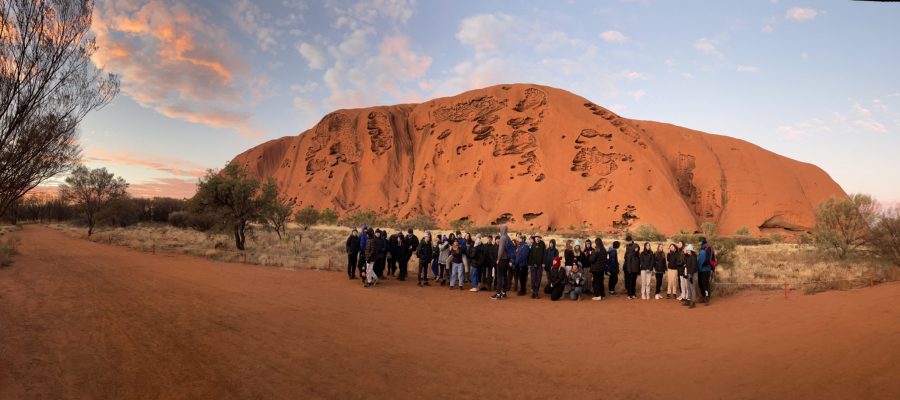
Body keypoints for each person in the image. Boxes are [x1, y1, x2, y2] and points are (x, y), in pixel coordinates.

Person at [490, 226, 513, 300]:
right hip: (507, 260)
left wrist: (498, 259)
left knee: (499, 277)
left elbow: (501, 249)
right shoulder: (508, 237)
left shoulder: (503, 237)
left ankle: (498, 294)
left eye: (500, 229)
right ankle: (504, 292)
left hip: (502, 260)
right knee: (504, 276)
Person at [682, 244, 698, 308]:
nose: (687, 251)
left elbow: (693, 267)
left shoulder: (693, 257)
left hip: (693, 274)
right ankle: (689, 300)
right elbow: (686, 264)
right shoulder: (688, 256)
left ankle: (693, 302)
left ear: (691, 250)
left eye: (688, 250)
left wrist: (690, 276)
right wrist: (686, 274)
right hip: (689, 273)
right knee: (689, 287)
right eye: (687, 250)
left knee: (692, 288)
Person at [698, 238, 713, 305]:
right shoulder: (701, 248)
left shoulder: (708, 247)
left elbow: (708, 259)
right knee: (700, 283)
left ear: (702, 241)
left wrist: (703, 265)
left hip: (706, 270)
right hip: (700, 270)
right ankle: (703, 296)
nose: (699, 243)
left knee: (705, 284)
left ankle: (707, 297)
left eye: (699, 241)